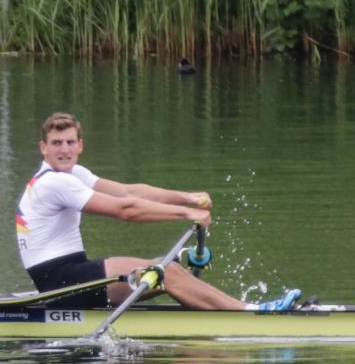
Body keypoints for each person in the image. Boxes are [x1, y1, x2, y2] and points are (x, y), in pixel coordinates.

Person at [16, 112, 301, 311]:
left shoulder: (73, 173)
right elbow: (126, 210)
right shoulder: (54, 183)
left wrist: (186, 198)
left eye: (70, 142)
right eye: (56, 143)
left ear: (80, 145)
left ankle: (233, 311)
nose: (64, 149)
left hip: (71, 275)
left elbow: (129, 192)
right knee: (165, 272)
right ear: (43, 148)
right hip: (62, 280)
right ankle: (251, 312)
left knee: (168, 268)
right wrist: (186, 214)